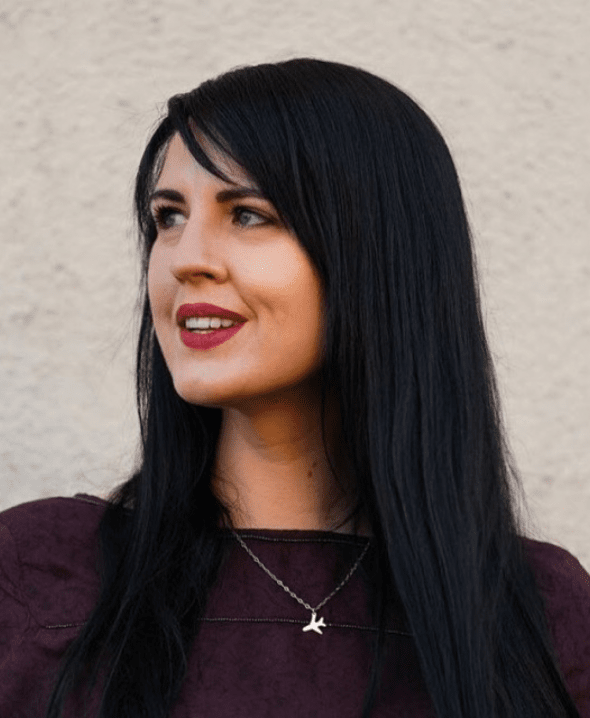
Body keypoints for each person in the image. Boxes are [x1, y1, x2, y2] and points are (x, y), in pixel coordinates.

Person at [0, 58, 588, 718]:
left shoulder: (540, 614)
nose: (186, 258)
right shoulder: (35, 577)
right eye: (168, 217)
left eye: (248, 215)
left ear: (376, 252)